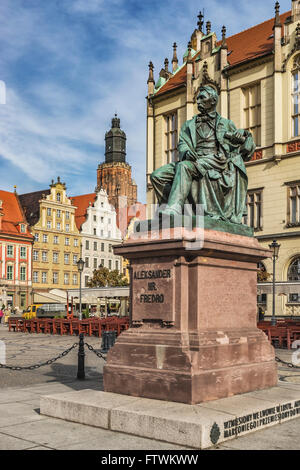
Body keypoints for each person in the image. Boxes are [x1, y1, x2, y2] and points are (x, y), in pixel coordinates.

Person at [150, 85, 256, 224]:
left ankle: (174, 209)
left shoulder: (226, 123)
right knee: (157, 176)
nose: (198, 101)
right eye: (197, 98)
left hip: (215, 160)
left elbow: (247, 148)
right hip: (193, 158)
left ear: (212, 101)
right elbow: (182, 143)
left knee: (184, 167)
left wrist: (243, 136)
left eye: (202, 98)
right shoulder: (189, 125)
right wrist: (186, 152)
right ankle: (172, 213)